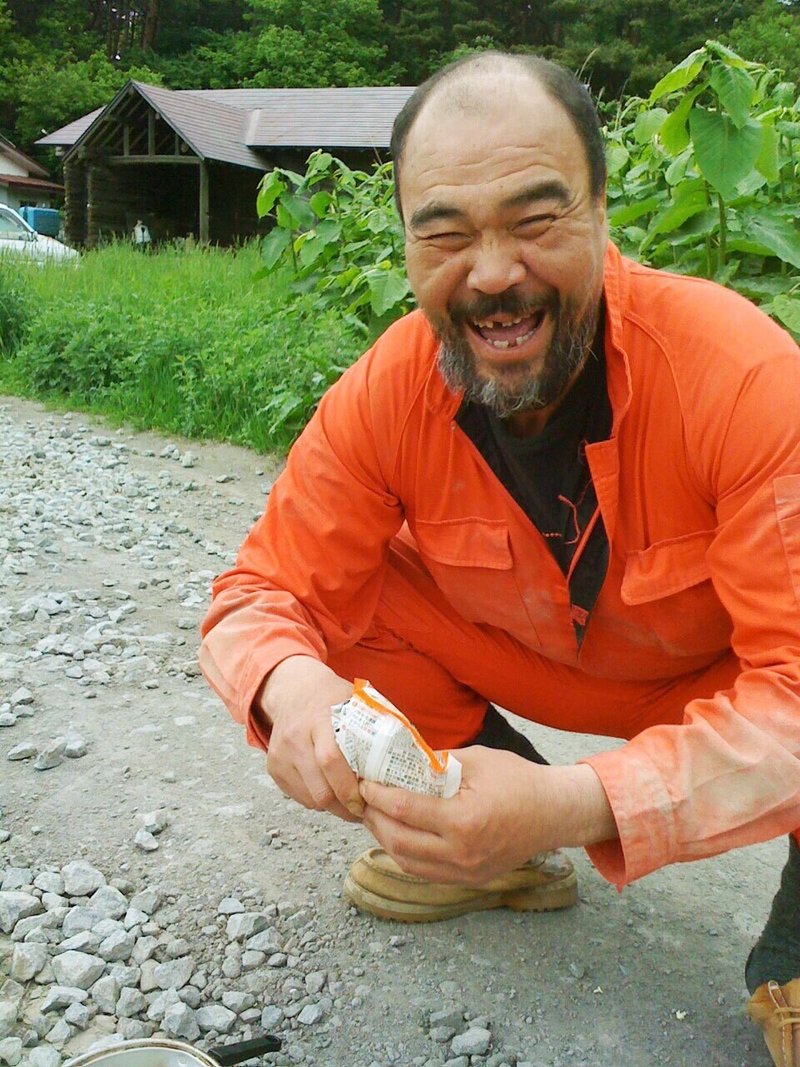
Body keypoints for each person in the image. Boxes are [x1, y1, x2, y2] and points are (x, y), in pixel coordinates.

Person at [199, 51, 800, 1063]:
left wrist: (575, 805)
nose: (489, 273)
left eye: (533, 221)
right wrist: (291, 692)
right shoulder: (386, 390)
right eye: (442, 233)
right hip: (537, 659)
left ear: (603, 212)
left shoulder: (740, 378)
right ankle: (488, 846)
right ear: (404, 246)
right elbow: (259, 591)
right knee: (335, 612)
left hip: (722, 684)